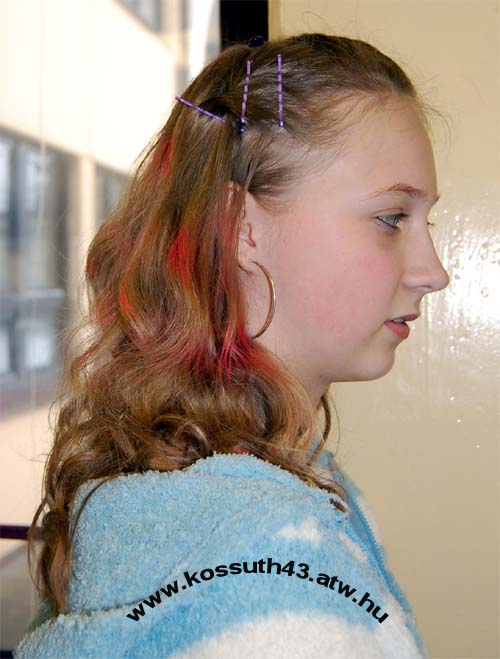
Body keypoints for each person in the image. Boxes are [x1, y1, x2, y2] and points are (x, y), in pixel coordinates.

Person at [14, 32, 449, 658]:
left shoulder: (196, 489)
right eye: (391, 219)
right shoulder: (274, 573)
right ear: (242, 228)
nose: (434, 272)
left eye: (425, 221)